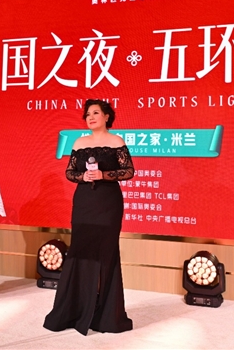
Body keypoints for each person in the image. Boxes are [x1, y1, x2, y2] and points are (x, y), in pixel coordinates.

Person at [44, 99, 135, 335]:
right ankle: (74, 310)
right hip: (84, 202)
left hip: (108, 204)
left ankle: (106, 315)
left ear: (107, 116)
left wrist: (103, 175)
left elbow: (129, 171)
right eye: (87, 114)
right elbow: (70, 172)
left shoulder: (116, 141)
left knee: (106, 255)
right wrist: (82, 177)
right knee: (79, 253)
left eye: (96, 113)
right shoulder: (79, 142)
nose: (90, 117)